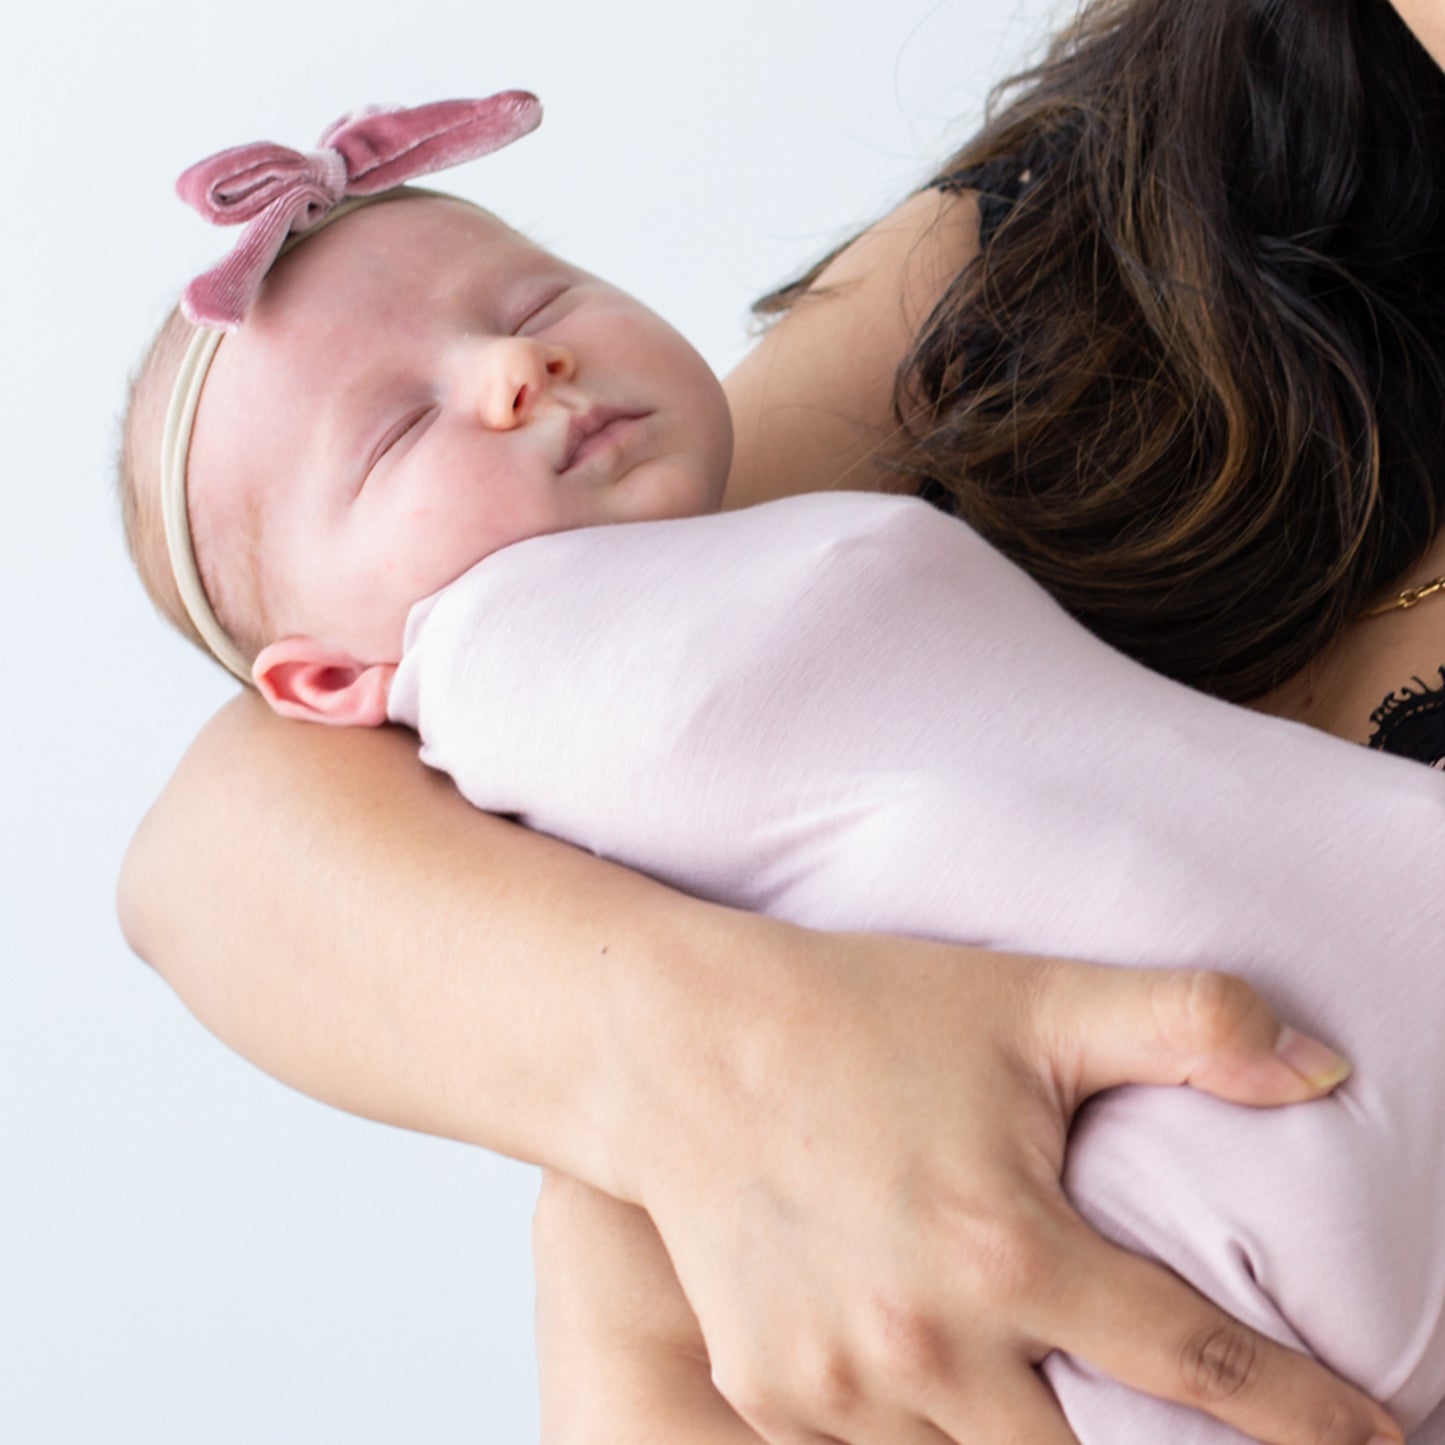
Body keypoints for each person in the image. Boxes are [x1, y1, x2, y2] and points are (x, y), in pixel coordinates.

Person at [117, 1, 1445, 1440]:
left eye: (536, 305)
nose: (519, 371)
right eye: (393, 431)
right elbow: (219, 845)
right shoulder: (1164, 164)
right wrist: (727, 1068)